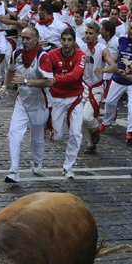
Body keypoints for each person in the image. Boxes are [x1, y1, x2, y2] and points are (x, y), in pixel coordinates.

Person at [0, 26, 52, 183]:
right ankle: (13, 171)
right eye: (23, 37)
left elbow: (49, 82)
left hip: (40, 102)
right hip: (22, 100)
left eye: (28, 38)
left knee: (36, 138)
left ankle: (37, 161)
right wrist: (5, 86)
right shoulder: (17, 54)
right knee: (14, 133)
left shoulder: (43, 57)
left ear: (36, 40)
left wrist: (27, 81)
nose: (24, 41)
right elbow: (10, 70)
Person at [45, 27, 86, 179]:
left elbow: (75, 75)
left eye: (69, 40)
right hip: (57, 98)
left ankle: (68, 167)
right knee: (57, 136)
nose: (66, 43)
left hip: (75, 98)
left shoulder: (81, 56)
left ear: (74, 41)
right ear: (60, 41)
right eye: (64, 40)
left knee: (76, 133)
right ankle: (48, 125)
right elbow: (45, 73)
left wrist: (55, 79)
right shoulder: (52, 55)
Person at [98, 19, 132, 143]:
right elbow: (116, 55)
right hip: (118, 78)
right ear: (128, 28)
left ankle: (130, 132)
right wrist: (111, 65)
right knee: (109, 101)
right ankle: (107, 121)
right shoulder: (121, 40)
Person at [80, 21, 116, 154]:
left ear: (96, 35)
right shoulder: (82, 48)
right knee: (80, 119)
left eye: (90, 33)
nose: (87, 36)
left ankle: (95, 128)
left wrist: (103, 70)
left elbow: (113, 66)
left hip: (95, 88)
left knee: (87, 117)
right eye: (86, 33)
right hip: (83, 87)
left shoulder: (102, 49)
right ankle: (90, 143)